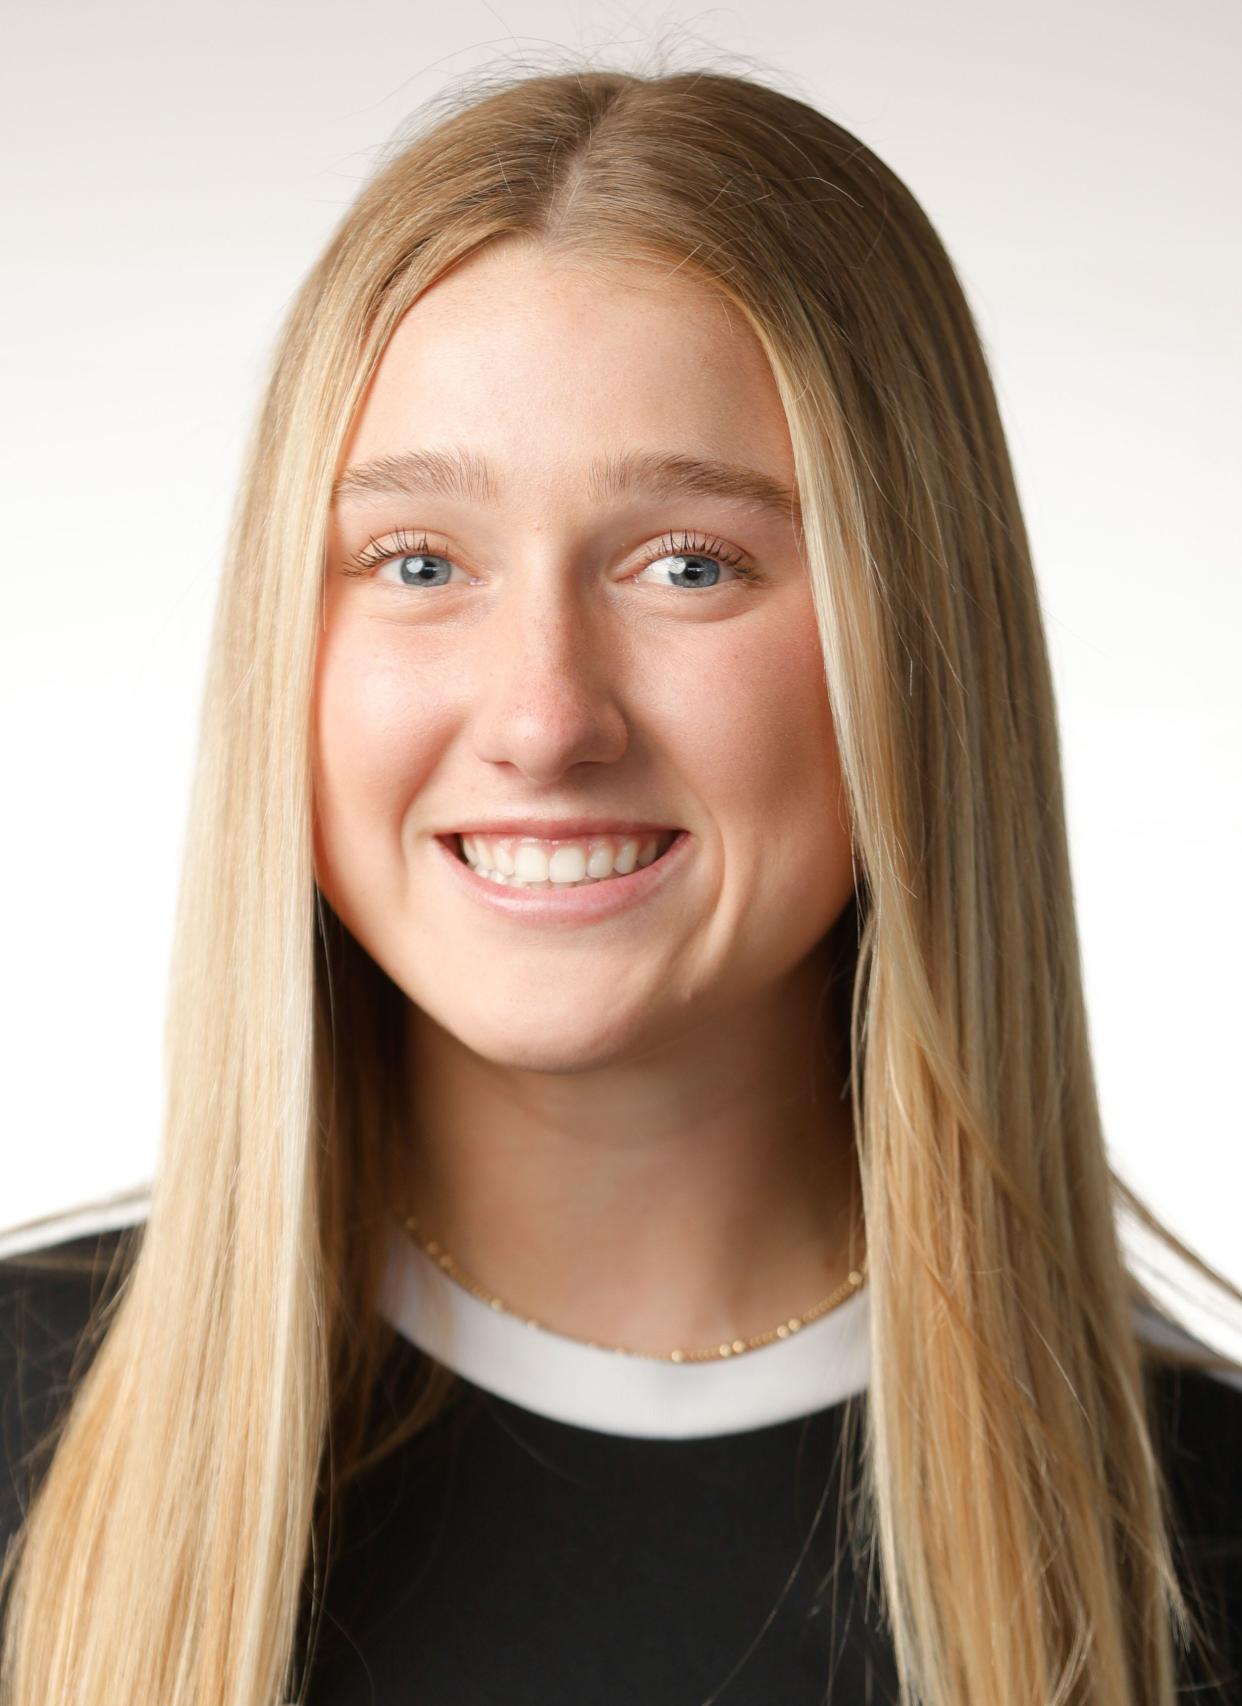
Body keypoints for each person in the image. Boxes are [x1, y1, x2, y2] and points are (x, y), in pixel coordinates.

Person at [1, 53, 1240, 1706]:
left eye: (687, 563)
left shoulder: (1199, 1528)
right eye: (419, 561)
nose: (541, 716)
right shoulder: (23, 1423)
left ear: (918, 640)